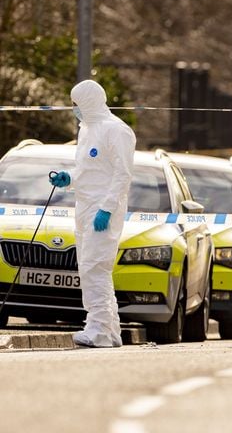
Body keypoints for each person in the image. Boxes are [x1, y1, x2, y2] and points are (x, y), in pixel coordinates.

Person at [48, 80, 135, 348]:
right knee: (92, 270)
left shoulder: (116, 130)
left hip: (103, 211)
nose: (74, 109)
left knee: (94, 268)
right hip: (84, 208)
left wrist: (106, 210)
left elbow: (122, 174)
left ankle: (97, 329)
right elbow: (90, 172)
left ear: (88, 102)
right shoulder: (87, 131)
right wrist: (69, 178)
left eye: (77, 104)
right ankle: (109, 331)